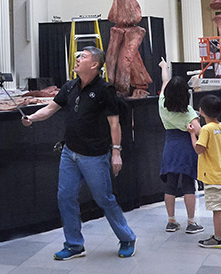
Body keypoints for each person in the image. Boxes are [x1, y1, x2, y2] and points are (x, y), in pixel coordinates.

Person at [20, 46, 136, 260]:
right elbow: (50, 109)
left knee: (104, 199)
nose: (77, 58)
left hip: (94, 156)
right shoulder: (70, 86)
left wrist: (116, 152)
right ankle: (74, 245)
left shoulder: (104, 90)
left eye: (82, 56)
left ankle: (127, 238)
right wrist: (32, 118)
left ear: (94, 65)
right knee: (65, 197)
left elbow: (114, 123)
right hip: (69, 153)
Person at [157, 59, 204, 236]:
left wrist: (164, 67)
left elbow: (165, 81)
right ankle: (191, 222)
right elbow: (199, 132)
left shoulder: (162, 103)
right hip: (186, 148)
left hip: (170, 147)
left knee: (170, 184)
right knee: (188, 184)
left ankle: (171, 220)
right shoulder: (189, 114)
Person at [191, 93, 221, 249]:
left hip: (212, 177)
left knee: (217, 209)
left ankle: (217, 238)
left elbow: (199, 149)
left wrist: (192, 135)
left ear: (201, 111)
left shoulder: (206, 129)